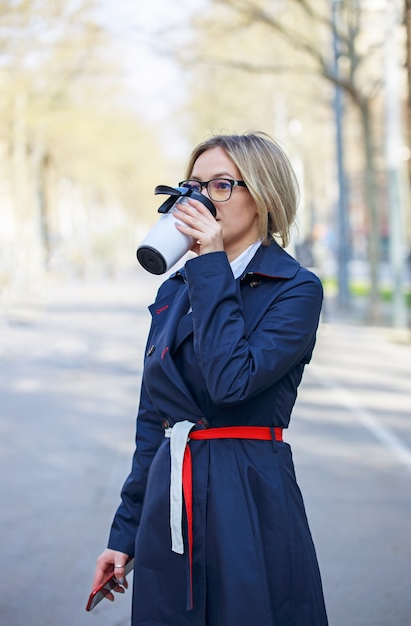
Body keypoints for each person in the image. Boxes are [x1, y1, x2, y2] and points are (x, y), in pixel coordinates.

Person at [92, 132, 328, 626]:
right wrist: (124, 535)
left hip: (249, 494)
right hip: (169, 498)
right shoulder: (174, 289)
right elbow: (153, 422)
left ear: (263, 197)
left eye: (220, 185)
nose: (200, 199)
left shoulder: (296, 289)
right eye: (192, 186)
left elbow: (230, 382)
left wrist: (211, 265)